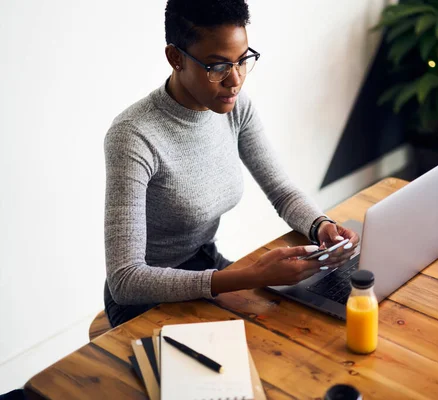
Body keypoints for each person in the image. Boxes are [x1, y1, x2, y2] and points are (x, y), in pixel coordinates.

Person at [103, 0, 360, 328]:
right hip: (146, 300)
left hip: (207, 265)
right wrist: (250, 276)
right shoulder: (134, 136)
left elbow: (281, 191)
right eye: (218, 66)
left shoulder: (236, 108)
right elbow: (126, 281)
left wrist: (322, 226)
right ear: (175, 58)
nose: (235, 80)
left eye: (242, 61)